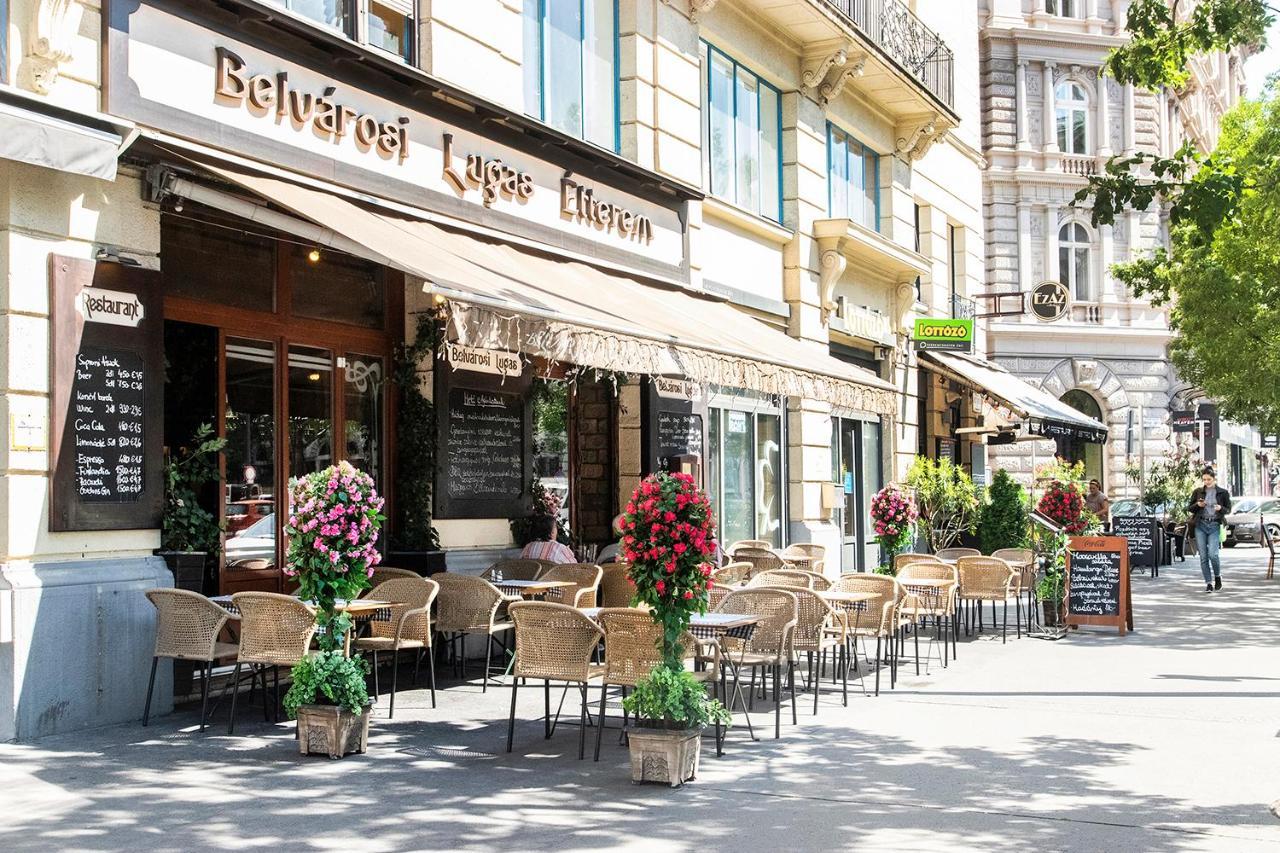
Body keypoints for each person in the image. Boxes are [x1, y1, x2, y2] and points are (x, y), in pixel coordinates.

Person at [1186, 467, 1232, 592]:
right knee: (1203, 556)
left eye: (1209, 479)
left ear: (1214, 479)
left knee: (1213, 554)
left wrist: (1220, 508)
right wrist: (1198, 505)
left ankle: (1217, 576)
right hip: (1200, 525)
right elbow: (1189, 508)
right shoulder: (1198, 492)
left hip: (1214, 525)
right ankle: (1208, 583)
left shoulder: (1223, 492)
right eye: (1204, 479)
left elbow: (1228, 509)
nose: (1206, 482)